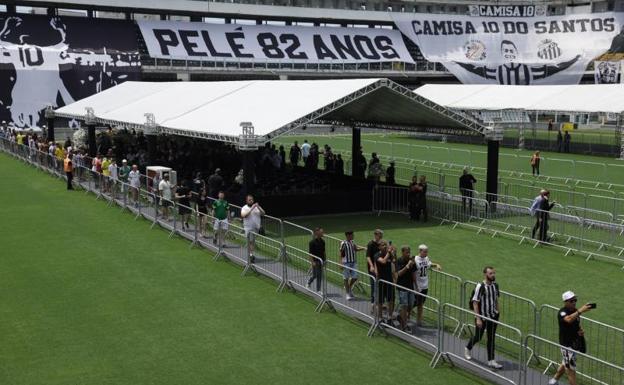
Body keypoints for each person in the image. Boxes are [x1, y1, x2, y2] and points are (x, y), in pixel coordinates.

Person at [548, 291, 593, 385]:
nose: (574, 302)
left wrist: (580, 330)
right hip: (566, 345)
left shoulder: (574, 311)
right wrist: (580, 311)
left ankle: (554, 380)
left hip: (574, 343)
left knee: (565, 363)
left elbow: (576, 322)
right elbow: (568, 319)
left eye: (575, 300)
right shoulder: (562, 312)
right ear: (565, 302)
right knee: (571, 371)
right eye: (572, 300)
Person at [465, 266, 503, 370]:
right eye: (490, 273)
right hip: (482, 316)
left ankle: (491, 360)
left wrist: (497, 311)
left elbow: (495, 299)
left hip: (493, 316)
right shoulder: (480, 286)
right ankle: (468, 348)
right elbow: (475, 303)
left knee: (491, 338)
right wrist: (478, 318)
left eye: (494, 273)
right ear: (485, 274)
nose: (493, 275)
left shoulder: (495, 285)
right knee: (478, 337)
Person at [414, 244, 441, 327]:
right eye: (425, 252)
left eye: (427, 252)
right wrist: (415, 285)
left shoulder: (426, 259)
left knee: (421, 304)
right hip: (418, 286)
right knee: (413, 303)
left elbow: (429, 264)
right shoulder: (415, 260)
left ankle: (419, 321)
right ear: (420, 251)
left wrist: (436, 265)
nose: (426, 253)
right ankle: (404, 316)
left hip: (425, 285)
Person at [340, 230, 366, 300]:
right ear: (348, 236)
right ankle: (348, 293)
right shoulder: (343, 243)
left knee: (355, 276)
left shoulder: (352, 242)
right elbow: (341, 253)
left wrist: (363, 248)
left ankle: (349, 288)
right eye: (352, 235)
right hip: (346, 263)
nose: (353, 236)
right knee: (346, 278)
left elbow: (355, 249)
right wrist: (341, 263)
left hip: (354, 262)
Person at [374, 240, 396, 323]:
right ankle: (380, 317)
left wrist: (393, 253)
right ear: (379, 247)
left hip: (389, 280)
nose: (385, 246)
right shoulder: (377, 255)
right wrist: (389, 253)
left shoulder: (389, 254)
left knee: (391, 300)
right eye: (383, 245)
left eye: (385, 245)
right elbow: (383, 261)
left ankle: (390, 317)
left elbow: (394, 261)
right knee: (380, 301)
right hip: (381, 281)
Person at [396, 245, 416, 332]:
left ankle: (401, 317)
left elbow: (413, 273)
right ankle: (404, 325)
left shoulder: (411, 261)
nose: (408, 254)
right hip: (402, 286)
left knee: (411, 304)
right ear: (402, 252)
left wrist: (416, 286)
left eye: (409, 252)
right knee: (404, 305)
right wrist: (407, 266)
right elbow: (399, 274)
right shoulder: (399, 261)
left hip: (410, 286)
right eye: (407, 252)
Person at [241, 194, 265, 263]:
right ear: (247, 201)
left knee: (252, 242)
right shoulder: (244, 208)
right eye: (249, 200)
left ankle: (251, 255)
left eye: (252, 200)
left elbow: (263, 213)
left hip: (256, 228)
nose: (251, 201)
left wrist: (258, 207)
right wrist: (251, 209)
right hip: (248, 228)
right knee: (250, 242)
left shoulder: (257, 207)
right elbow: (244, 215)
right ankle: (251, 255)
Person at [366, 229, 383, 306]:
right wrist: (371, 266)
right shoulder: (370, 244)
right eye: (379, 235)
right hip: (372, 268)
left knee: (380, 284)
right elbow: (368, 256)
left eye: (381, 236)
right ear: (375, 235)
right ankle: (373, 303)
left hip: (380, 267)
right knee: (374, 284)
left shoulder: (381, 244)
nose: (380, 237)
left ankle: (379, 302)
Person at [307, 227, 326, 292]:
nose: (322, 233)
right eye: (321, 232)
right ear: (317, 233)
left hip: (321, 261)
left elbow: (324, 252)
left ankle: (318, 290)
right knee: (315, 275)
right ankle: (309, 282)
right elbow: (310, 253)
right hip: (315, 261)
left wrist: (325, 260)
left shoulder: (323, 242)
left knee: (320, 276)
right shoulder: (312, 242)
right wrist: (312, 262)